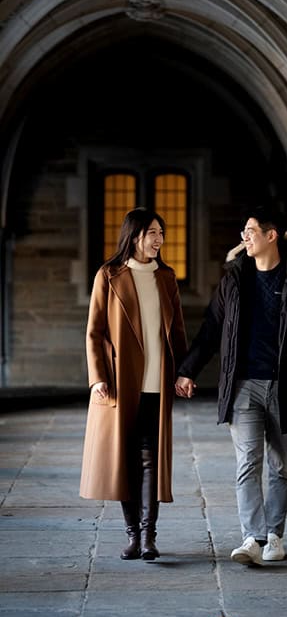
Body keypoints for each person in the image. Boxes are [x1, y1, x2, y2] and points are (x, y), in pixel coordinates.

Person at [175, 204, 287, 565]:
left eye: (251, 231)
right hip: (242, 386)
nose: (244, 237)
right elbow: (211, 329)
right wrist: (188, 370)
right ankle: (252, 537)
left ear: (270, 235)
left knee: (281, 466)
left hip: (286, 387)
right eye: (244, 232)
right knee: (248, 462)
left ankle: (275, 536)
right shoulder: (233, 280)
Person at [80, 207, 187, 561]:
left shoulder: (167, 277)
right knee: (124, 459)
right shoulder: (108, 276)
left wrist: (183, 372)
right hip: (119, 384)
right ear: (135, 235)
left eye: (161, 233)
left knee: (149, 460)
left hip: (156, 382)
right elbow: (94, 332)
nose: (160, 239)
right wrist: (97, 378)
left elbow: (178, 334)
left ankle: (148, 537)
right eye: (153, 233)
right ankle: (132, 534)